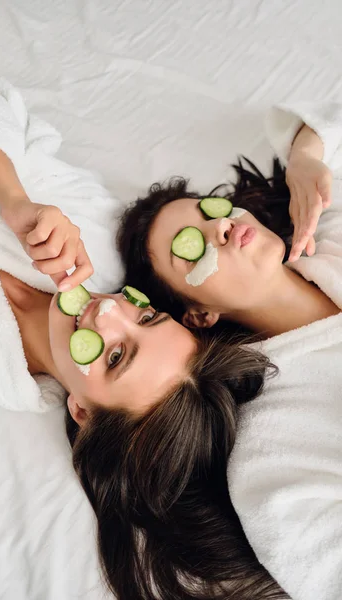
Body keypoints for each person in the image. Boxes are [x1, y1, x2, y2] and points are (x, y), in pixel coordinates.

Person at [0, 79, 285, 599]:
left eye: (117, 356)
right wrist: (15, 198)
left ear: (82, 411)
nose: (108, 313)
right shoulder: (94, 236)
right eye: (145, 319)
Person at [118, 103, 342, 599]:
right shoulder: (271, 439)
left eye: (210, 210)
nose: (216, 228)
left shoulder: (332, 225)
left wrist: (305, 156)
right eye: (189, 246)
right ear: (199, 314)